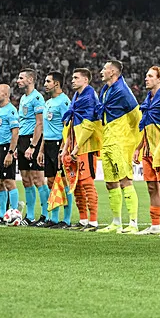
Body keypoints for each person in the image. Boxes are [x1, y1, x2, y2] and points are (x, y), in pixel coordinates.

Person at [96, 60, 142, 234]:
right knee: (110, 183)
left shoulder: (123, 91)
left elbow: (137, 117)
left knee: (125, 181)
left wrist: (132, 140)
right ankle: (116, 222)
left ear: (113, 72)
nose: (101, 71)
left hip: (120, 142)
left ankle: (133, 223)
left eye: (104, 69)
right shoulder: (105, 90)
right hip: (107, 140)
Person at [133, 66, 160, 236]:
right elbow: (146, 125)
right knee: (151, 187)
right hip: (148, 149)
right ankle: (155, 225)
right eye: (146, 76)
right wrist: (139, 148)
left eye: (150, 76)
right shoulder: (148, 99)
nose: (146, 78)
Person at [60, 68, 102, 231]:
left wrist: (76, 147)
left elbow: (90, 125)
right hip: (73, 147)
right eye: (72, 77)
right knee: (76, 184)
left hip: (85, 147)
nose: (72, 80)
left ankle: (93, 221)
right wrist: (66, 147)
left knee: (87, 183)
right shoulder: (76, 97)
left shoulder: (90, 97)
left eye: (76, 78)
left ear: (85, 80)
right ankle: (83, 219)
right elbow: (71, 125)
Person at [38, 71, 73, 228]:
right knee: (51, 182)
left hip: (60, 145)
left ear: (56, 84)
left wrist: (63, 149)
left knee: (64, 182)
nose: (45, 84)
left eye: (48, 81)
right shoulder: (47, 103)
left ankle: (66, 220)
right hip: (48, 145)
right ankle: (53, 218)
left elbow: (68, 127)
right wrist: (41, 150)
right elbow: (46, 129)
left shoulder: (64, 101)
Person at [16, 68, 49, 227]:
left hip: (32, 140)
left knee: (38, 179)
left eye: (21, 78)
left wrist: (32, 146)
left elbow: (40, 124)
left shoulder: (37, 98)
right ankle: (29, 216)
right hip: (22, 140)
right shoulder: (23, 98)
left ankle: (45, 215)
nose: (18, 81)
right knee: (26, 180)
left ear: (30, 80)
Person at [0, 84, 20, 225]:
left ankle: (14, 213)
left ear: (6, 94)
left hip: (6, 148)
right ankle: (2, 215)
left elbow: (15, 133)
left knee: (9, 182)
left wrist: (10, 153)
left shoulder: (11, 110)